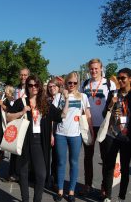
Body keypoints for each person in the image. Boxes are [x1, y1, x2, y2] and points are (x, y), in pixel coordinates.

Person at [7, 75, 63, 202]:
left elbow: (60, 116)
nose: (34, 88)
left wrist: (66, 99)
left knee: (41, 174)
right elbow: (8, 117)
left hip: (39, 141)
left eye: (36, 85)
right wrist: (21, 112)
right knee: (23, 172)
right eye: (31, 85)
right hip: (24, 140)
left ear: (40, 86)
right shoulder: (21, 102)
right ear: (27, 87)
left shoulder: (45, 103)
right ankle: (25, 199)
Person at [53, 72, 93, 202]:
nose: (72, 85)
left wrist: (92, 130)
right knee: (60, 162)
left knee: (74, 163)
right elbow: (52, 116)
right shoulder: (59, 96)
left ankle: (71, 191)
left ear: (78, 83)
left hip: (76, 134)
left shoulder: (83, 97)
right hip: (60, 133)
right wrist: (51, 135)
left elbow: (87, 114)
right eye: (70, 82)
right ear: (66, 82)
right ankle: (60, 190)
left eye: (75, 83)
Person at [80, 58, 116, 196]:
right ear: (89, 70)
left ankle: (104, 186)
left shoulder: (109, 84)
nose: (94, 71)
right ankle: (87, 184)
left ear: (101, 68)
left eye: (96, 68)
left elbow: (115, 105)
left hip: (104, 126)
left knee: (105, 158)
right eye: (91, 69)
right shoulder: (84, 84)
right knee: (87, 157)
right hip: (88, 125)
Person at [101, 68, 131, 202]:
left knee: (125, 169)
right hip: (112, 135)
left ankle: (121, 196)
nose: (120, 80)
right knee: (109, 166)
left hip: (127, 138)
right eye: (118, 78)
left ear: (130, 79)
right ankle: (107, 196)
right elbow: (104, 115)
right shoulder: (113, 94)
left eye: (123, 78)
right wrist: (110, 105)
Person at [46, 77, 61, 189]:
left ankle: (55, 179)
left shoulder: (62, 98)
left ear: (58, 87)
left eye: (54, 86)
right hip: (48, 130)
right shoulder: (46, 99)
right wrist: (50, 134)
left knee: (56, 157)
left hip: (60, 131)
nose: (52, 88)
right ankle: (46, 178)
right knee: (46, 156)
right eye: (50, 87)